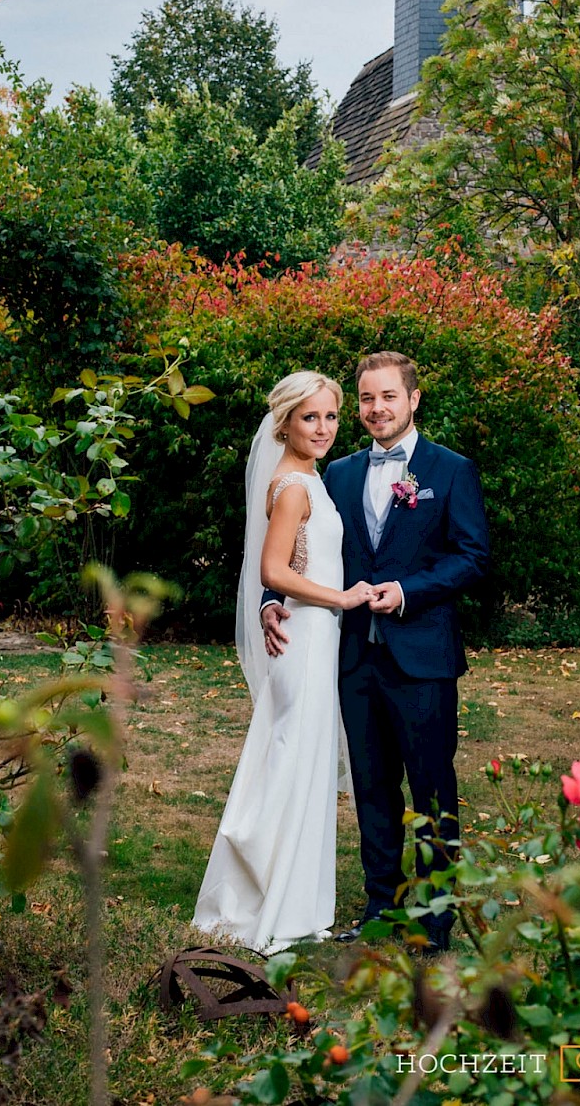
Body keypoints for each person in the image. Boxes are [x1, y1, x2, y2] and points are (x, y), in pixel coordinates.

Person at [261, 352, 489, 953]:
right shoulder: (334, 473)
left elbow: (473, 556)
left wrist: (409, 591)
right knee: (371, 785)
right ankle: (380, 905)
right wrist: (268, 599)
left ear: (413, 400)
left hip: (423, 658)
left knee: (432, 787)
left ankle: (437, 917)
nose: (375, 409)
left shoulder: (452, 470)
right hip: (353, 656)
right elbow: (300, 549)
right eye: (366, 399)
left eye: (388, 397)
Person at [193, 372, 378, 953]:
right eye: (309, 417)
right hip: (305, 639)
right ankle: (265, 902)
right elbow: (275, 570)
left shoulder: (308, 479)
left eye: (330, 416)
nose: (323, 428)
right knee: (291, 762)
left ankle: (295, 903)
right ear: (285, 423)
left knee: (303, 765)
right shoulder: (293, 486)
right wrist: (342, 597)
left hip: (313, 636)